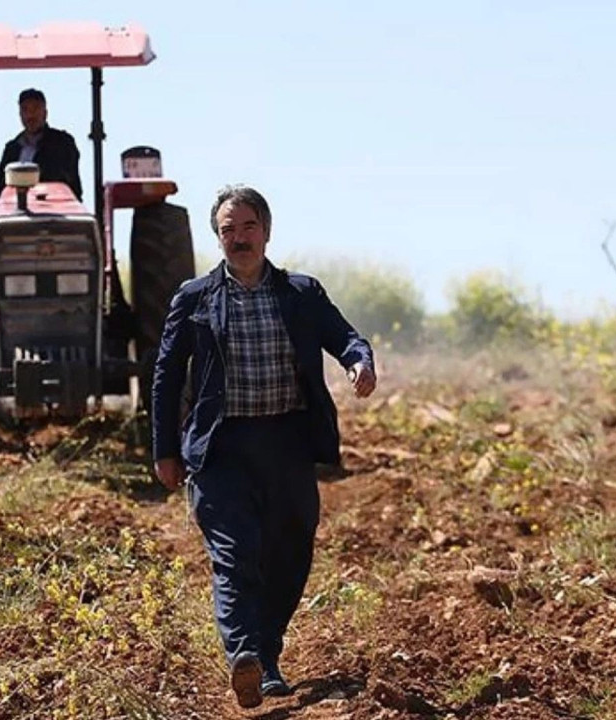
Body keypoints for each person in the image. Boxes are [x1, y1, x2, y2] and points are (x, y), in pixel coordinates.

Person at [150, 184, 377, 709]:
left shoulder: (299, 293)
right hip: (220, 446)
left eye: (247, 227)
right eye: (228, 230)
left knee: (291, 551)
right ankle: (244, 654)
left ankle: (265, 656)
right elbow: (165, 378)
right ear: (218, 238)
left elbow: (344, 336)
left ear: (267, 231)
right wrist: (165, 449)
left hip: (286, 441)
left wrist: (358, 361)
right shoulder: (195, 298)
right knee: (234, 556)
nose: (238, 238)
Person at [0, 88, 84, 208]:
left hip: (54, 209)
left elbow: (63, 178)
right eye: (25, 110)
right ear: (20, 114)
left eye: (35, 109)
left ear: (45, 113)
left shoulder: (61, 142)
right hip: (14, 212)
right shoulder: (13, 148)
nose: (30, 115)